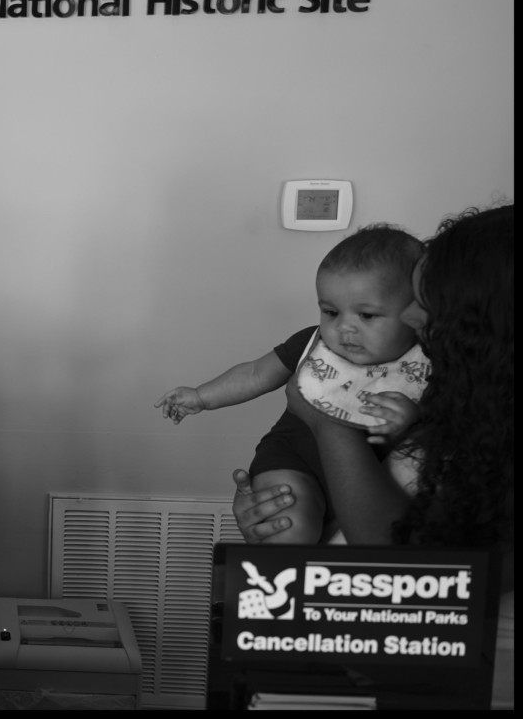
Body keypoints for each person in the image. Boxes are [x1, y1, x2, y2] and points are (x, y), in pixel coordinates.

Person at [231, 204, 514, 709]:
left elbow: (409, 568)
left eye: (429, 302)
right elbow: (393, 505)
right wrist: (291, 510)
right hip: (366, 669)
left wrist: (328, 425)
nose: (411, 316)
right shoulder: (468, 404)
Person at [156, 224, 427, 544]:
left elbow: (428, 439)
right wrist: (202, 396)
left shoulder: (424, 365)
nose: (344, 328)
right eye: (331, 312)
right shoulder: (313, 344)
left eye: (366, 315)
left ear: (416, 310)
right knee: (288, 528)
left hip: (367, 479)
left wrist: (409, 421)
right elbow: (256, 373)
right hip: (294, 461)